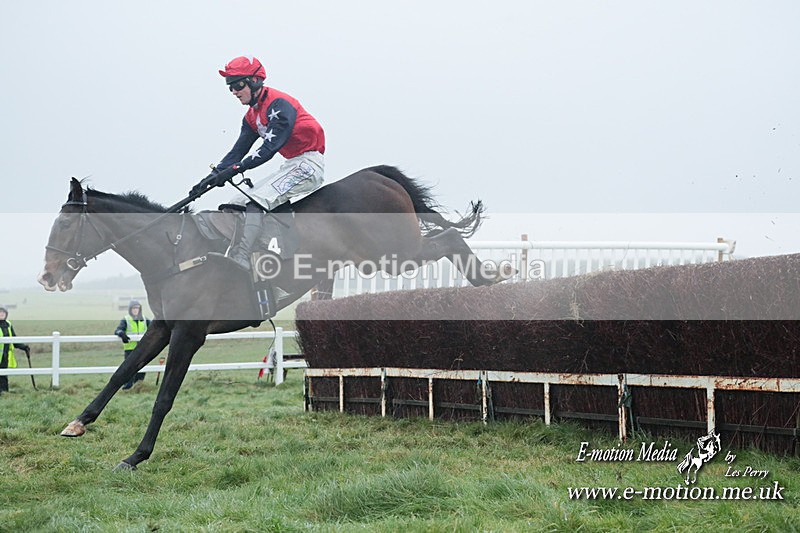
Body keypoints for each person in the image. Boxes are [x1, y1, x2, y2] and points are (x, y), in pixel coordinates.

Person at [190, 55, 326, 271]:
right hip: (291, 164)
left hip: (308, 165)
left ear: (254, 81)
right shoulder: (251, 117)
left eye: (237, 85)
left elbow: (267, 151)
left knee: (256, 200)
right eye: (230, 88)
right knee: (235, 203)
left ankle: (242, 258)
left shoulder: (280, 104)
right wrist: (212, 177)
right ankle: (231, 253)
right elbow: (237, 152)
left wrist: (234, 170)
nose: (234, 92)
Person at [114, 300, 151, 390]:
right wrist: (121, 334)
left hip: (143, 349)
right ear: (130, 309)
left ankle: (139, 385)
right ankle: (128, 385)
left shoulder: (145, 320)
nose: (135, 310)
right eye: (134, 308)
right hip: (130, 349)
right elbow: (118, 330)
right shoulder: (126, 320)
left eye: (137, 308)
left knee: (142, 367)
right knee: (129, 368)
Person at [0, 306, 30, 394]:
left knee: (3, 375)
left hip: (4, 355)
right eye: (0, 312)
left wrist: (24, 347)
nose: (1, 314)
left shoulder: (8, 325)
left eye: (3, 312)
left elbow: (14, 340)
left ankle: (4, 392)